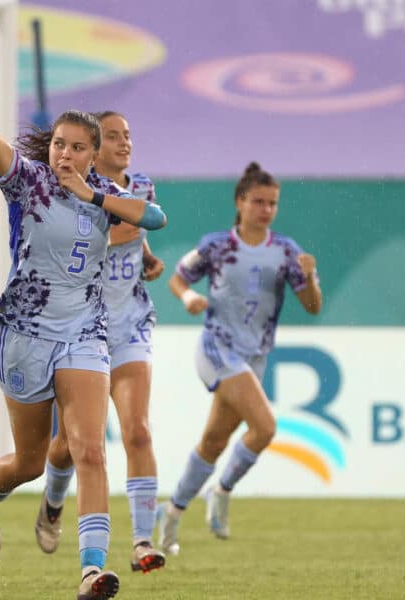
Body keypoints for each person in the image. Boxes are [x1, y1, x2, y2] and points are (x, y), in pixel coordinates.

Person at [0, 17, 166, 600]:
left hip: (84, 333)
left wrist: (94, 196)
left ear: (93, 155)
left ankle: (91, 570)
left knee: (91, 447)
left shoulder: (105, 198)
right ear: (49, 149)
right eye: (58, 145)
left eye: (77, 147)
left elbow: (155, 218)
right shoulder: (27, 182)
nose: (64, 154)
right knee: (26, 462)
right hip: (24, 331)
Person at [156, 162, 321, 555]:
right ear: (240, 202)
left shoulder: (286, 252)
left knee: (214, 441)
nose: (266, 210)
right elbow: (178, 277)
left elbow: (312, 306)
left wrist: (310, 278)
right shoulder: (218, 245)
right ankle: (222, 490)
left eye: (273, 203)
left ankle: (172, 513)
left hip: (254, 356)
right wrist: (189, 297)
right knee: (264, 428)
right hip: (217, 348)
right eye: (258, 201)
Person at [36, 111, 167, 574]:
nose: (124, 143)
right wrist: (110, 240)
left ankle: (142, 542)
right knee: (68, 447)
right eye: (113, 136)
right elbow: (62, 250)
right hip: (81, 329)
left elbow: (143, 231)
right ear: (93, 147)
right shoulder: (68, 192)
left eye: (128, 135)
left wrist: (146, 257)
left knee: (138, 429)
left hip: (129, 324)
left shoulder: (143, 188)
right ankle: (52, 502)